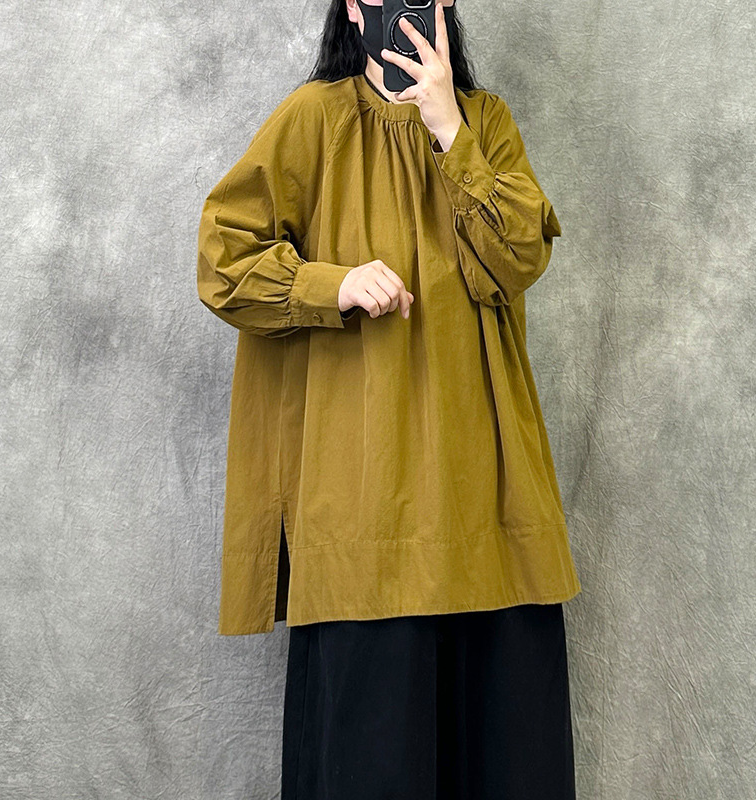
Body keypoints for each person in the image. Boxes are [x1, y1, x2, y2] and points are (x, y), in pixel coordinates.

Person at [196, 0, 582, 797]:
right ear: (350, 6)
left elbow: (515, 262)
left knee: (507, 764)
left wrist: (450, 131)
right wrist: (330, 284)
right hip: (363, 509)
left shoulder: (485, 122)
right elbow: (224, 259)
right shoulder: (314, 118)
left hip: (488, 503)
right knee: (373, 769)